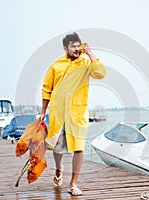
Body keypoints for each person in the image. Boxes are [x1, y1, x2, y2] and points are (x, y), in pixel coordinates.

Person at [39, 32, 106, 196]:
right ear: (65, 48)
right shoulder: (56, 65)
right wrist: (42, 113)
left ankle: (73, 183)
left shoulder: (86, 62)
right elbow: (47, 89)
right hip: (58, 113)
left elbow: (100, 74)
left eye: (78, 45)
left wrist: (90, 53)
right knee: (56, 148)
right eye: (73, 46)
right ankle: (59, 168)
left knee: (79, 148)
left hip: (78, 114)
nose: (76, 49)